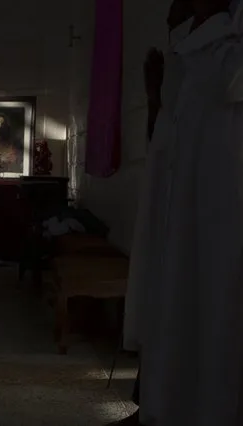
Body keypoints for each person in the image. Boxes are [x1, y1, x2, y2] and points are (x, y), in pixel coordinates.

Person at [123, 0, 243, 424]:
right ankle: (160, 402)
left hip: (219, 206)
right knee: (174, 298)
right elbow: (166, 135)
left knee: (212, 306)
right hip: (181, 202)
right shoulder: (190, 49)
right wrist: (155, 97)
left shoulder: (226, 43)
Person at [114, 2, 194, 425]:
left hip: (200, 220)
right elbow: (160, 143)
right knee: (162, 306)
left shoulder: (216, 57)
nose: (171, 26)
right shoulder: (180, 64)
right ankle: (149, 403)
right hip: (170, 214)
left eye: (178, 16)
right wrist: (153, 100)